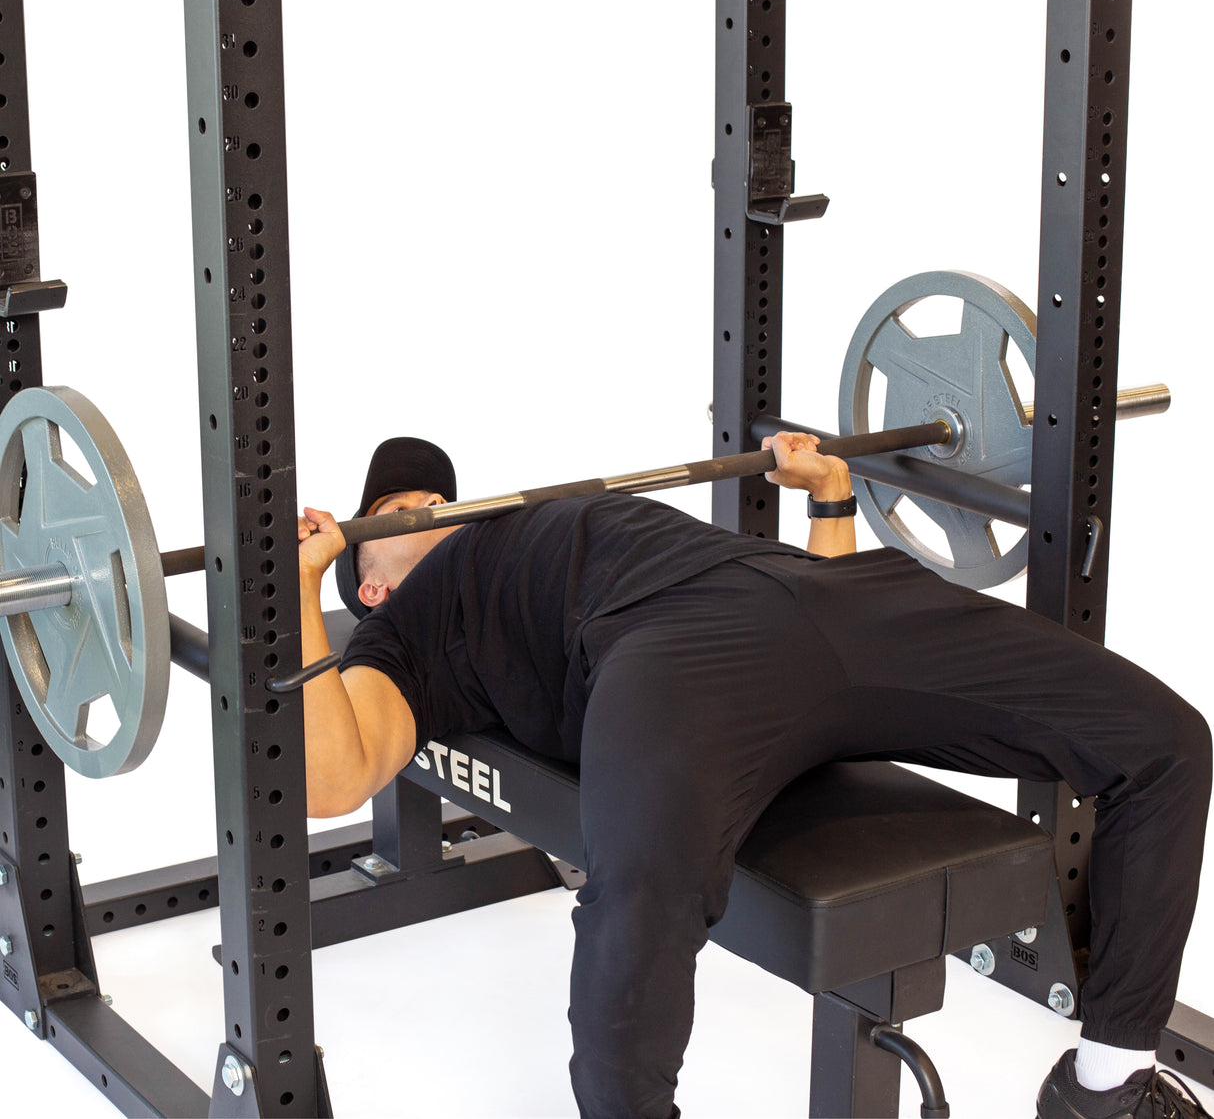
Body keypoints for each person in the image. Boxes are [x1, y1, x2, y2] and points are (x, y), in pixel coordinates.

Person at [297, 432, 1212, 1119]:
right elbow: (335, 778)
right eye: (398, 517)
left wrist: (829, 499)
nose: (428, 511)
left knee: (1165, 742)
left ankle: (1109, 1083)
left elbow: (819, 675)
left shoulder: (540, 516)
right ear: (368, 583)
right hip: (668, 652)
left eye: (434, 499)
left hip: (818, 597)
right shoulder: (402, 635)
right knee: (641, 895)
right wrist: (298, 586)